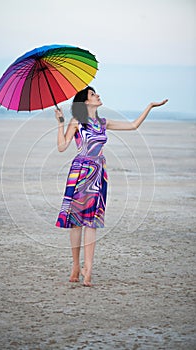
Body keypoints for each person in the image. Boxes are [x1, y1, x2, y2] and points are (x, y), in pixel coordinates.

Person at [55, 86, 168, 287]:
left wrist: (150, 106)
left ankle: (88, 269)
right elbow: (62, 147)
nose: (97, 95)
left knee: (92, 222)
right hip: (80, 172)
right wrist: (61, 123)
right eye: (92, 94)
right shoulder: (77, 122)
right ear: (86, 102)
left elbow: (133, 126)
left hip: (98, 174)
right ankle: (75, 265)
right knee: (76, 221)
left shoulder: (103, 123)